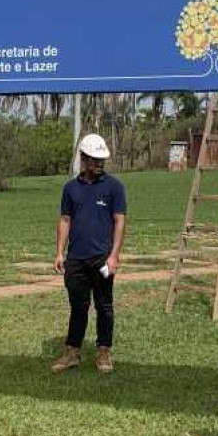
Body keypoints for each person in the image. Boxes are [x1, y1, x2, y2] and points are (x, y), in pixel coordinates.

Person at [51, 133, 127, 374]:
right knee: (78, 306)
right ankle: (72, 351)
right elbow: (65, 219)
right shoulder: (70, 188)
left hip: (102, 258)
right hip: (76, 259)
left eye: (101, 159)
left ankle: (104, 352)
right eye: (94, 159)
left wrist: (114, 255)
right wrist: (59, 252)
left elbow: (119, 221)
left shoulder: (114, 187)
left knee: (104, 305)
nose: (99, 163)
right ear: (83, 158)